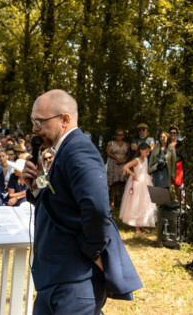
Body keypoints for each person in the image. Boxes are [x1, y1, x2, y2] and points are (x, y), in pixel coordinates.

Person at [22, 89, 142, 313]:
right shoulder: (65, 150)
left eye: (39, 121)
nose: (34, 129)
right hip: (56, 278)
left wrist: (91, 251)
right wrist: (37, 185)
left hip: (74, 281)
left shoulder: (79, 149)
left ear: (65, 119)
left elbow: (96, 209)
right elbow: (65, 206)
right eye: (33, 121)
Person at [120, 142, 156, 233]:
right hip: (138, 183)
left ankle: (142, 225)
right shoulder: (137, 160)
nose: (148, 154)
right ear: (141, 150)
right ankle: (137, 227)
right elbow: (125, 167)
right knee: (137, 203)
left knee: (145, 204)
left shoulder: (146, 159)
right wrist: (133, 175)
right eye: (146, 152)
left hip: (145, 182)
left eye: (148, 152)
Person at [106, 129, 131, 208]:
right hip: (114, 164)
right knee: (113, 183)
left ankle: (122, 202)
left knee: (122, 183)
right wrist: (117, 158)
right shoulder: (111, 143)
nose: (119, 136)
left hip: (123, 164)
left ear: (123, 135)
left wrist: (124, 160)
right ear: (115, 135)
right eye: (117, 134)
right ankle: (112, 202)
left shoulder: (127, 144)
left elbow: (129, 154)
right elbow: (108, 153)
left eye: (121, 134)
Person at [169, 127, 184, 203]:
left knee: (177, 185)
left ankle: (180, 201)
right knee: (166, 184)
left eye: (174, 133)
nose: (173, 134)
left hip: (178, 166)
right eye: (171, 133)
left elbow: (182, 156)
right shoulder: (167, 144)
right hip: (168, 166)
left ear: (176, 134)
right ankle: (167, 202)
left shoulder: (180, 144)